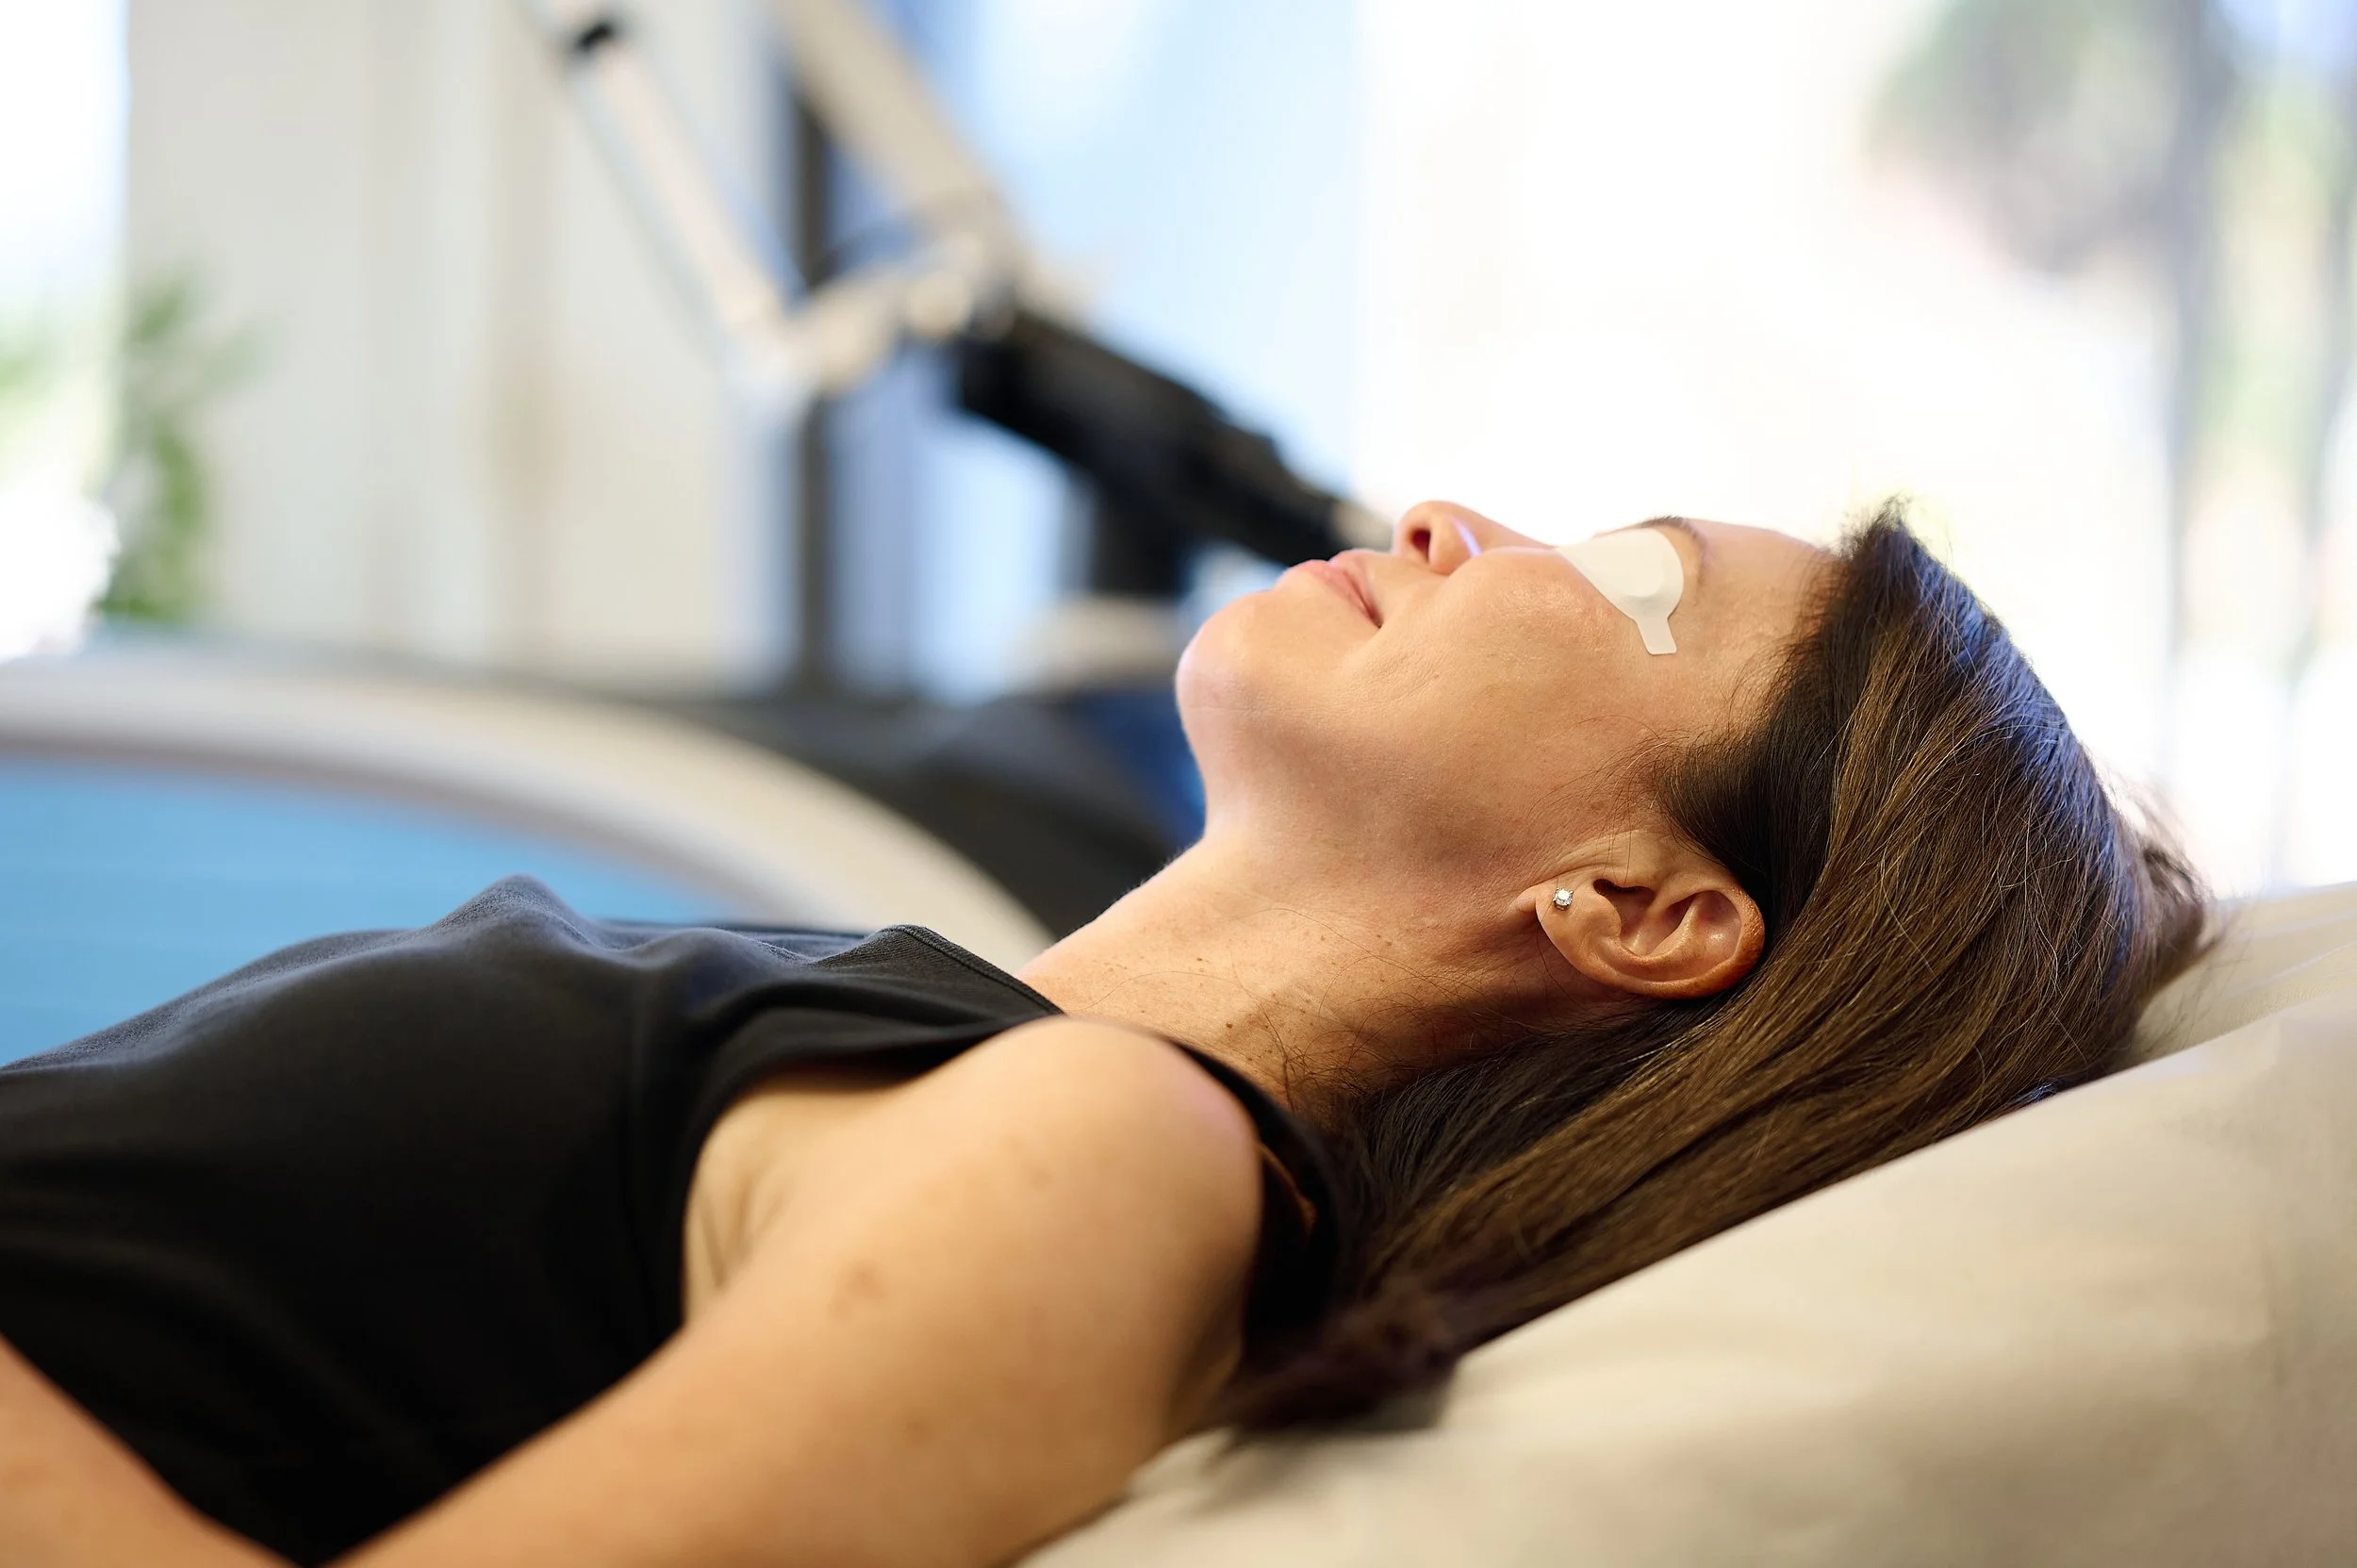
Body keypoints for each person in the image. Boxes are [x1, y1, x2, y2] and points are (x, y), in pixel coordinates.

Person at [0, 501, 2204, 1568]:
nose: (1453, 518)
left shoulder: (1117, 1158)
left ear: (1637, 910)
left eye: (1629, 584)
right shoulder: (945, 1048)